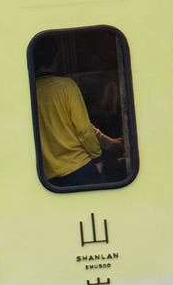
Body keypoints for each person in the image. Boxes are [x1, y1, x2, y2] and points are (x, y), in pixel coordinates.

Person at [33, 36, 121, 187]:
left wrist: (110, 143)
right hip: (79, 168)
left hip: (48, 176)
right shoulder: (67, 86)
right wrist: (98, 158)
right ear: (56, 58)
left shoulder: (30, 92)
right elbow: (84, 130)